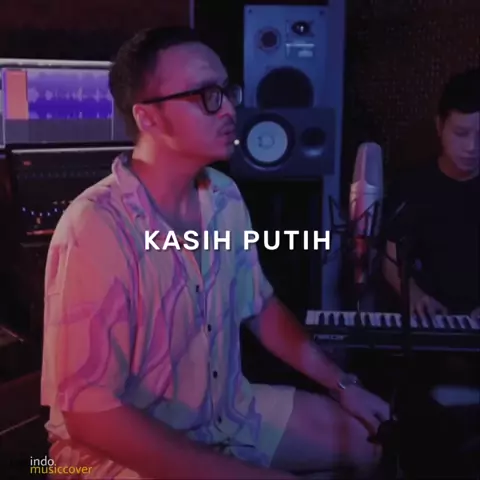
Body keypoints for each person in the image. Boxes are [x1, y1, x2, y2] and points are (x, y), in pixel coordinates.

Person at [41, 27, 389, 479]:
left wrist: (343, 385)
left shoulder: (223, 195)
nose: (228, 108)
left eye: (226, 91)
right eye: (207, 95)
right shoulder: (95, 226)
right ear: (148, 118)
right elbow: (89, 413)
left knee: (368, 440)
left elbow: (259, 306)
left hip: (226, 412)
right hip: (110, 452)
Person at [382, 67, 480, 322]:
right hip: (430, 321)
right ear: (440, 126)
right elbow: (391, 259)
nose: (472, 147)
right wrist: (415, 297)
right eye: (461, 134)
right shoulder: (411, 186)